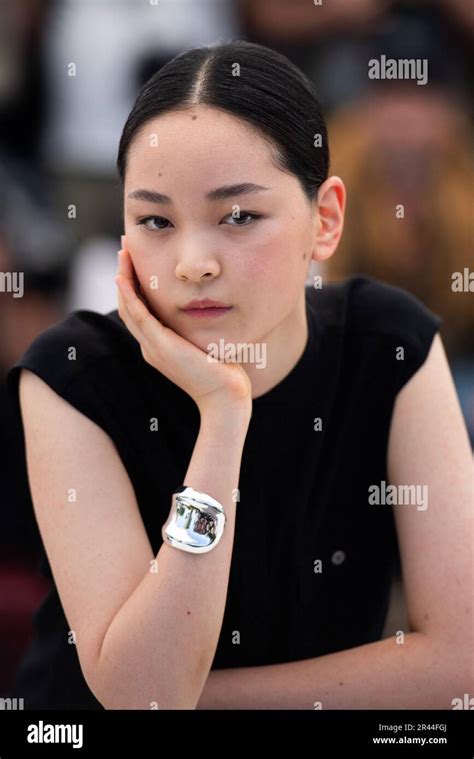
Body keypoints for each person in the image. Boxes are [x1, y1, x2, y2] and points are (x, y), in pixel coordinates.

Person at [6, 40, 472, 710]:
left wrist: (202, 699)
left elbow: (462, 661)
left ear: (326, 218)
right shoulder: (70, 376)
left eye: (239, 216)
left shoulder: (389, 343)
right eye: (156, 220)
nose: (194, 260)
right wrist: (223, 417)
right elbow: (146, 693)